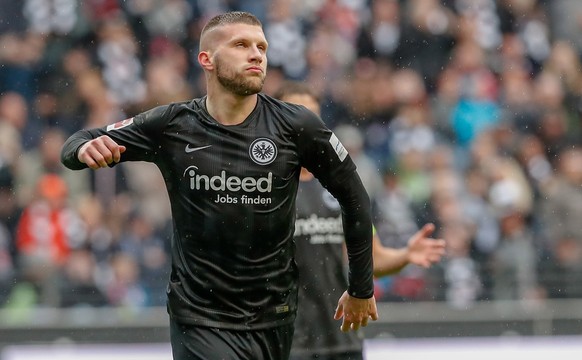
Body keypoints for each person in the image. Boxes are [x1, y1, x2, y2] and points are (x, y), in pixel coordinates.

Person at [60, 11, 377, 360]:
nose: (256, 54)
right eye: (241, 45)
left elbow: (354, 196)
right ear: (206, 59)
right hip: (199, 317)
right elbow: (78, 142)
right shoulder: (173, 124)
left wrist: (361, 288)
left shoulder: (296, 125)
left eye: (262, 46)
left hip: (274, 316)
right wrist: (83, 148)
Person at [275, 82, 446, 360]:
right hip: (287, 342)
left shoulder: (341, 187)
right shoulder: (267, 188)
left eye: (313, 117)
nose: (305, 126)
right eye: (297, 115)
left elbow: (371, 260)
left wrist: (405, 255)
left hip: (343, 336)